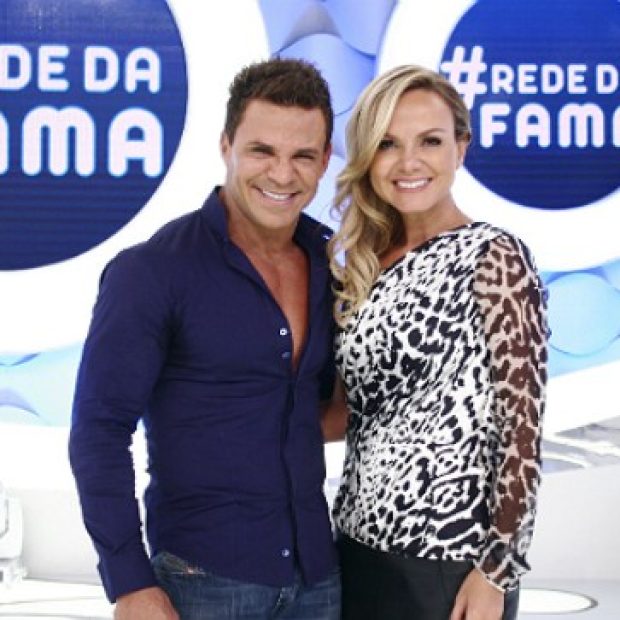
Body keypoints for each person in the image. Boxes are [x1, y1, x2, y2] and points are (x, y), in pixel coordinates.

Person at [69, 58, 341, 620]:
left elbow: (323, 409)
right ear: (226, 146)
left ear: (325, 160)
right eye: (262, 151)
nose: (282, 174)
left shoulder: (332, 262)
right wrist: (129, 583)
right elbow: (99, 430)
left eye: (302, 155)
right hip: (202, 582)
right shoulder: (153, 271)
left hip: (318, 579)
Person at [323, 65, 548, 620]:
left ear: (460, 148)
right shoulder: (364, 267)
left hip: (447, 565)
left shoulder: (495, 257)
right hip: (355, 549)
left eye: (430, 141)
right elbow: (351, 413)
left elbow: (522, 430)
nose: (409, 162)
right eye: (388, 144)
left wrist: (496, 572)